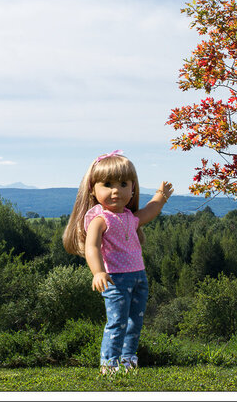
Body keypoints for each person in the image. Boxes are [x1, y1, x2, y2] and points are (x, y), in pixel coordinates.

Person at [63, 150, 173, 375]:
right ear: (93, 189)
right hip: (115, 278)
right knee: (116, 322)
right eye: (108, 184)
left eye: (123, 184)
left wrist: (160, 197)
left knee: (135, 322)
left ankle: (128, 360)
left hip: (139, 276)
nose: (116, 191)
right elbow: (92, 247)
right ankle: (109, 364)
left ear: (132, 188)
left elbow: (148, 213)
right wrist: (98, 272)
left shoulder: (129, 218)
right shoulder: (99, 219)